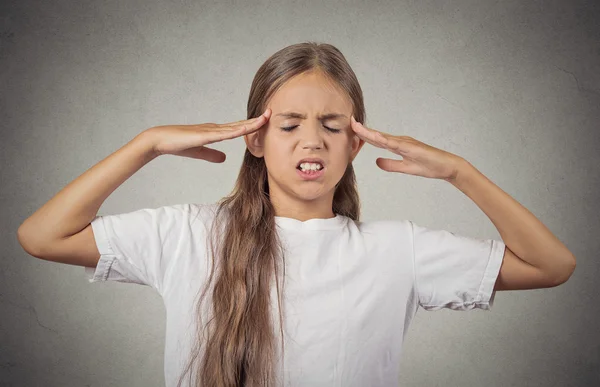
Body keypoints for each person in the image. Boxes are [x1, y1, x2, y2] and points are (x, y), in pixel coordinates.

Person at [17, 41, 576, 387]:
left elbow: (551, 265)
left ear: (356, 145)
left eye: (332, 126)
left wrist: (461, 172)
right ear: (254, 140)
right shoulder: (188, 235)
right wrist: (144, 145)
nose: (312, 142)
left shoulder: (396, 250)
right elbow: (42, 235)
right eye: (289, 125)